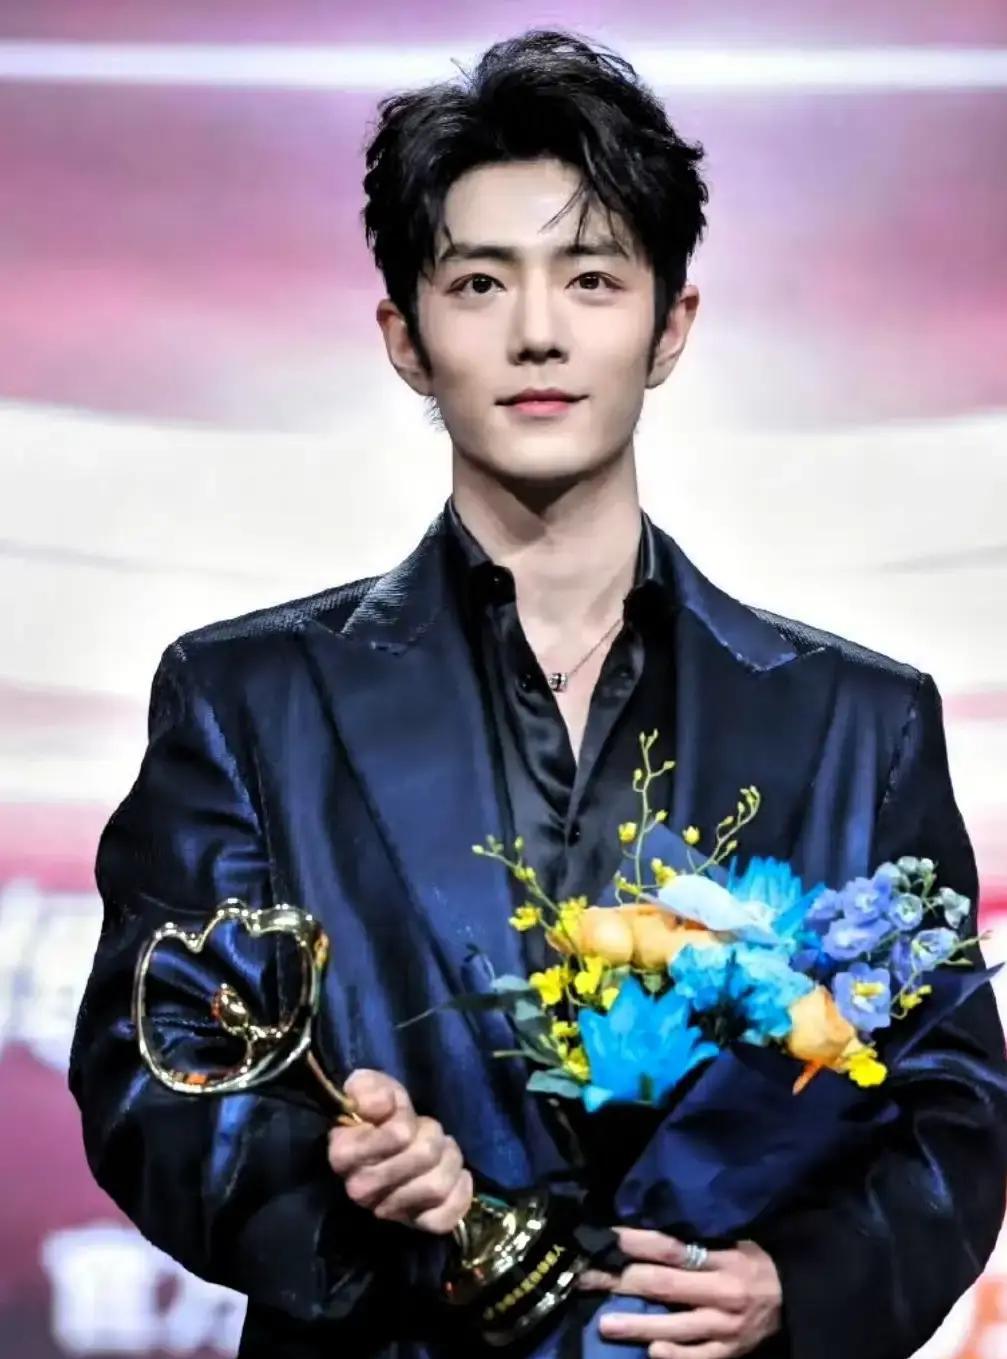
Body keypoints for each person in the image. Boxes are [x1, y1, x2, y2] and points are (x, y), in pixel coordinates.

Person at [69, 29, 1007, 1359]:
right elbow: (155, 1069)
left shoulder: (860, 722)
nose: (538, 332)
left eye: (592, 278)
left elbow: (952, 1108)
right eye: (478, 282)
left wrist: (800, 1284)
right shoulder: (248, 701)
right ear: (405, 337)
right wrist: (341, 1184)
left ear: (670, 326)